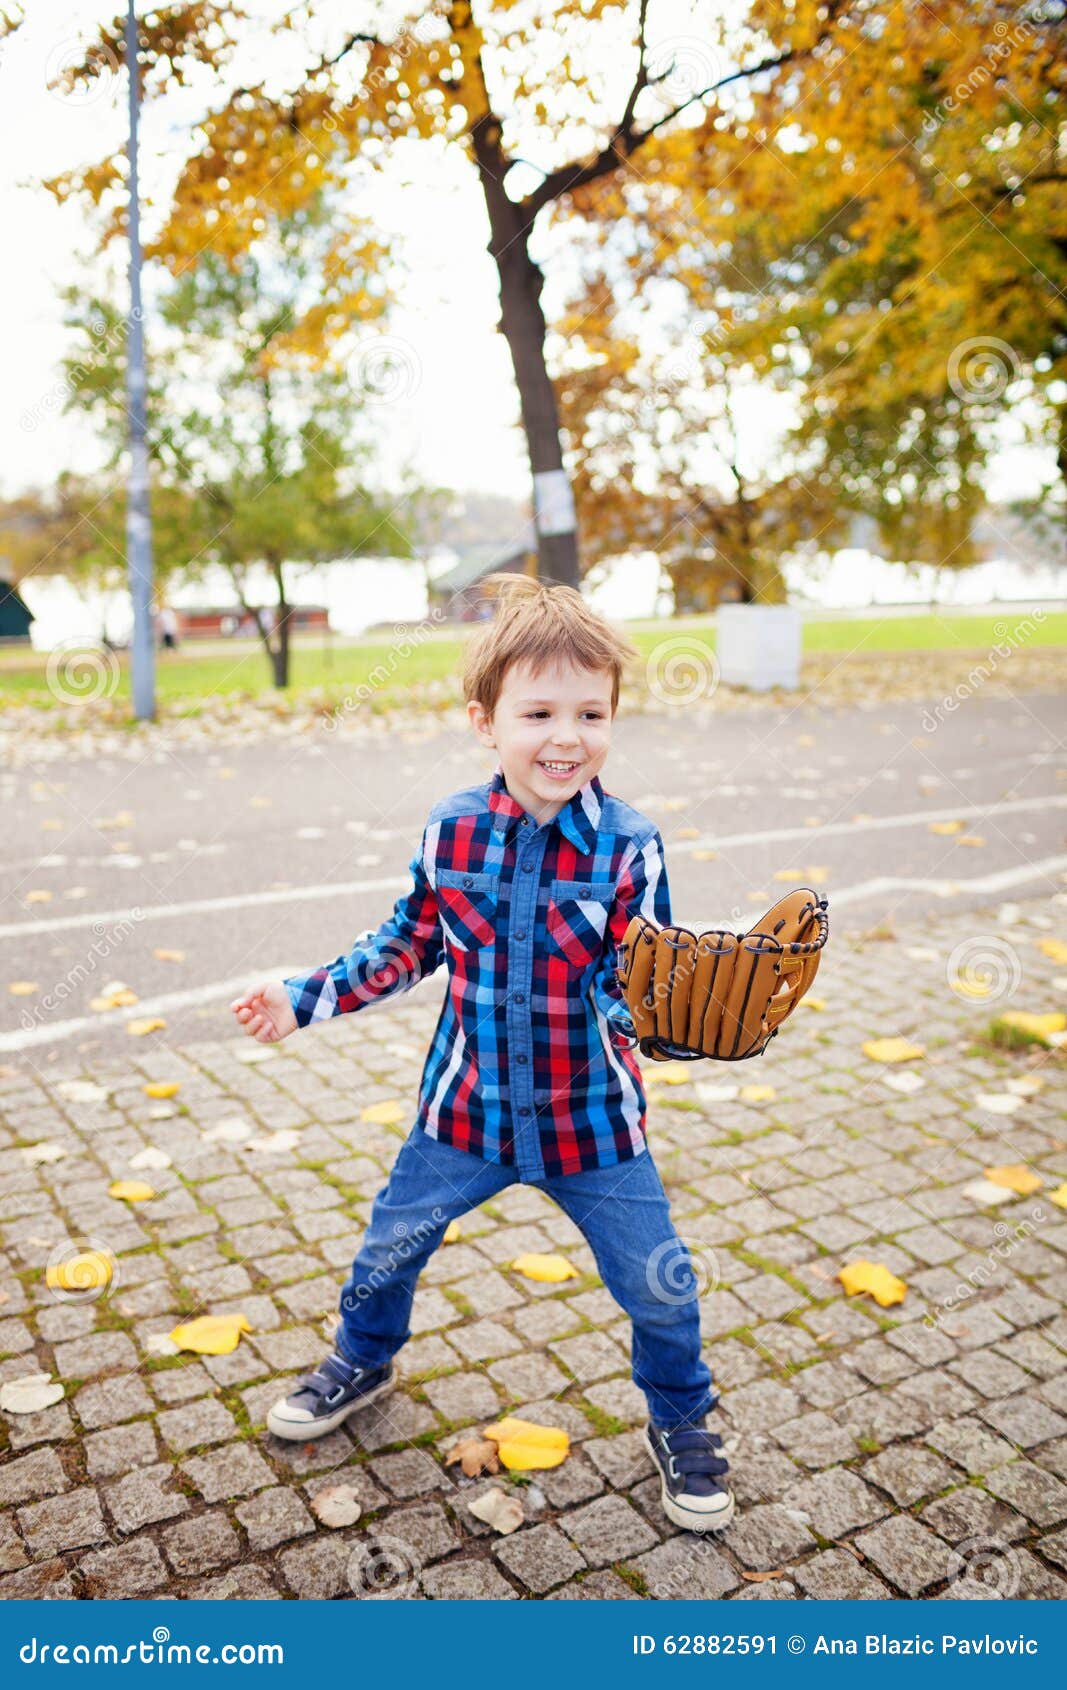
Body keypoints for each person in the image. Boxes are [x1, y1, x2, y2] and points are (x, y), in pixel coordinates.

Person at [229, 574, 733, 1533]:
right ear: (484, 721)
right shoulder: (452, 827)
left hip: (594, 1128)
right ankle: (363, 1360)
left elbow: (643, 978)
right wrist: (303, 999)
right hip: (464, 1116)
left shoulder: (631, 845)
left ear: (612, 720)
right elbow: (406, 944)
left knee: (661, 1286)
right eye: (537, 711)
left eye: (590, 713)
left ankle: (683, 1416)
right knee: (385, 1253)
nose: (564, 736)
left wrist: (671, 1023)